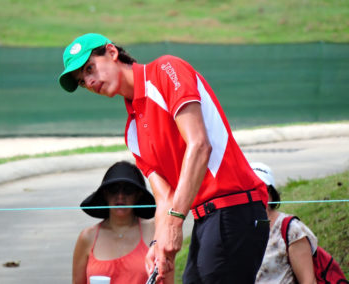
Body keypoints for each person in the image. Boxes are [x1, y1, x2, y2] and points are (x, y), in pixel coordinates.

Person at [60, 33, 270, 284]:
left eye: (90, 68)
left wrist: (174, 224)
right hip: (208, 219)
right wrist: (158, 244)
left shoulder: (166, 69)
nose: (90, 81)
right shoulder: (133, 131)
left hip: (236, 208)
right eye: (83, 81)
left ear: (112, 53)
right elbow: (164, 198)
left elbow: (200, 145)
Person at [72, 161, 172, 284]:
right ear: (105, 193)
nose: (120, 196)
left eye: (128, 190)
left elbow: (168, 280)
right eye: (114, 189)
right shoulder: (87, 237)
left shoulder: (154, 231)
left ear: (138, 194)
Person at [251, 162, 318, 284]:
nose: (254, 194)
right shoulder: (235, 229)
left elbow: (308, 281)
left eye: (260, 189)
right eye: (249, 189)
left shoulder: (291, 229)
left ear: (271, 194)